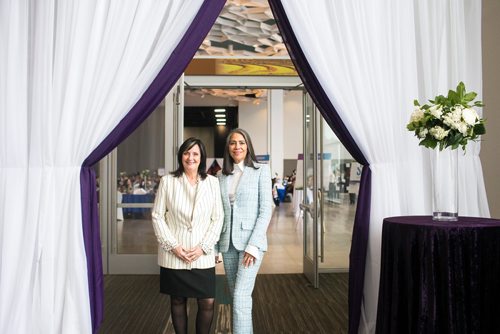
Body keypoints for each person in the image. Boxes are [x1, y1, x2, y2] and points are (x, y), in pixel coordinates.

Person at [151, 137, 223, 334]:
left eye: (195, 154)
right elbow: (157, 216)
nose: (190, 157)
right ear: (180, 156)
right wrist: (173, 245)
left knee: (207, 301)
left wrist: (203, 248)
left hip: (202, 254)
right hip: (175, 253)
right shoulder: (168, 181)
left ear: (202, 158)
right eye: (186, 153)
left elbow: (218, 218)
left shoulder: (212, 183)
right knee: (177, 300)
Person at [216, 128, 273, 333]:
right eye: (233, 143)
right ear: (228, 147)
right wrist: (216, 247)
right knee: (236, 296)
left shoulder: (261, 170)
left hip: (251, 244)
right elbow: (219, 213)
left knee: (240, 296)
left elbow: (266, 209)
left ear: (248, 145)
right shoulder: (221, 176)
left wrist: (253, 245)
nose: (237, 146)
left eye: (241, 142)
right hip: (228, 244)